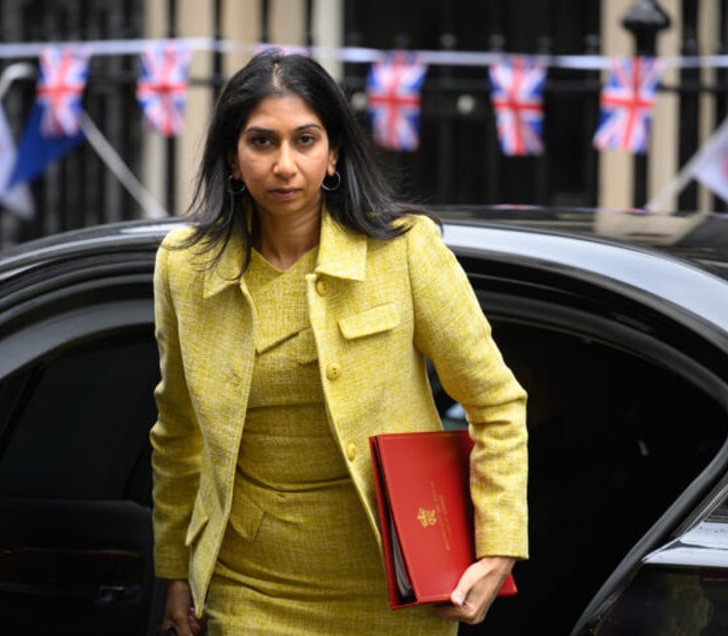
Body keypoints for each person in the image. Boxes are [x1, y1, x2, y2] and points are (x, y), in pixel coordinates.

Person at [150, 49, 528, 636]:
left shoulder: (404, 251)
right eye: (261, 142)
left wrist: (498, 547)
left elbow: (497, 405)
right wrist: (176, 569)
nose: (284, 165)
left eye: (304, 140)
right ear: (232, 156)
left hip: (397, 585)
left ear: (334, 154)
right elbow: (177, 432)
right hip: (248, 588)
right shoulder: (185, 267)